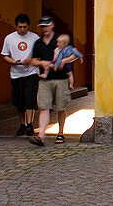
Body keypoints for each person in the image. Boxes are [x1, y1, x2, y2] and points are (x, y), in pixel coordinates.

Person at [27, 16, 73, 146]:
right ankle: (41, 135)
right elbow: (33, 60)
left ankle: (60, 133)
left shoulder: (60, 40)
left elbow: (72, 55)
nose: (44, 28)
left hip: (61, 78)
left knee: (60, 107)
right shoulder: (38, 42)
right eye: (42, 26)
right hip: (45, 79)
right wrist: (42, 62)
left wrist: (61, 62)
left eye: (46, 25)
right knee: (44, 107)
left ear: (52, 25)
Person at [1, 13, 40, 137]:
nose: (22, 30)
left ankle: (29, 124)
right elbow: (5, 55)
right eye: (20, 27)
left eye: (24, 27)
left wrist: (31, 60)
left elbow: (39, 55)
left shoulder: (35, 37)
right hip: (16, 74)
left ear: (28, 26)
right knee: (19, 101)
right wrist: (13, 62)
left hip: (31, 72)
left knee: (30, 98)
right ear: (16, 26)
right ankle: (22, 124)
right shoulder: (9, 38)